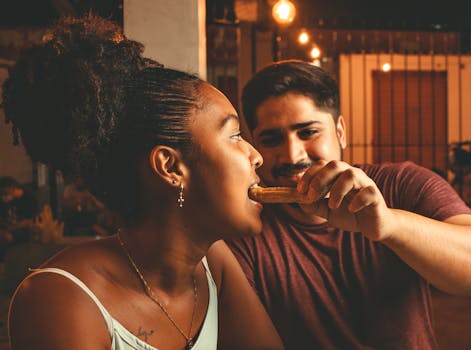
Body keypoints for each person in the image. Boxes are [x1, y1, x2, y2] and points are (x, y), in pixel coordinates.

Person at [2, 15, 283, 350]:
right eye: (235, 135)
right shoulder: (58, 298)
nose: (256, 156)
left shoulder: (214, 264)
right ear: (170, 166)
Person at [227, 60, 471, 350]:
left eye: (308, 132)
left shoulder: (402, 184)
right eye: (271, 139)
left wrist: (389, 226)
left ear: (340, 131)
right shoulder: (247, 225)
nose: (292, 154)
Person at [0, 176, 38, 258]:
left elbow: (28, 222)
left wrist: (8, 230)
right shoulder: (5, 201)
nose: (3, 196)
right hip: (8, 228)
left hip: (23, 231)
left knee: (6, 237)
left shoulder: (29, 198)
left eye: (5, 193)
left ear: (12, 188)